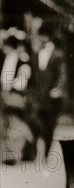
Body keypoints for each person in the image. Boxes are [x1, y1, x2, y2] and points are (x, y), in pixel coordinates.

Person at [30, 23, 66, 159]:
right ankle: (34, 152)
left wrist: (58, 89)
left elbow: (62, 74)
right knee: (36, 122)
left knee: (49, 126)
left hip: (52, 97)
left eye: (43, 36)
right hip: (38, 96)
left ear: (48, 37)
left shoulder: (58, 54)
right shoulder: (36, 54)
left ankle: (46, 152)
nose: (41, 39)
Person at [0, 34, 34, 164]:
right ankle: (13, 153)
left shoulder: (14, 57)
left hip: (12, 95)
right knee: (13, 125)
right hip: (14, 94)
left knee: (13, 124)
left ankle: (12, 154)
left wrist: (7, 92)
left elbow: (8, 79)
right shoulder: (20, 58)